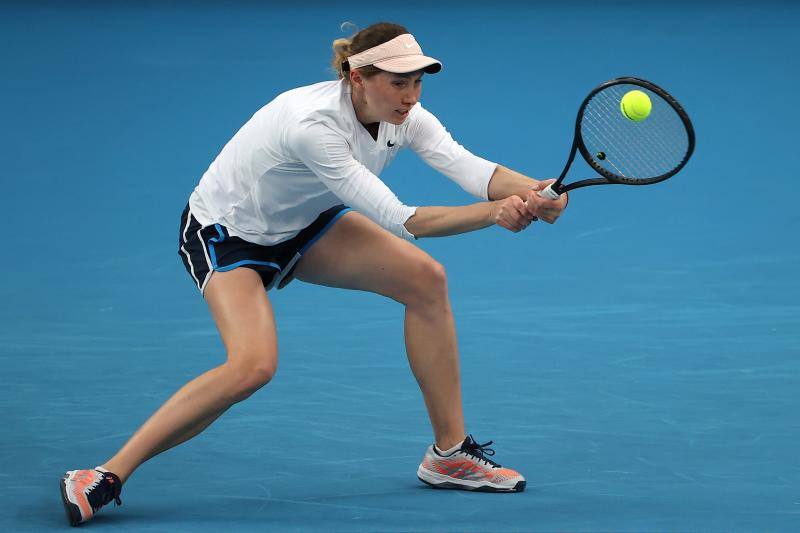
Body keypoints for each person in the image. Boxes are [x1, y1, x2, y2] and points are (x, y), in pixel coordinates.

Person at [59, 21, 567, 526]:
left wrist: (535, 189)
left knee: (425, 281)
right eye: (397, 82)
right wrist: (496, 213)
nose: (410, 95)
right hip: (229, 234)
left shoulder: (406, 115)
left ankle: (449, 455)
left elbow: (472, 170)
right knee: (251, 367)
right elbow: (402, 219)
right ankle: (106, 474)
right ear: (356, 77)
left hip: (303, 224)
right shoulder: (313, 125)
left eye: (417, 81)